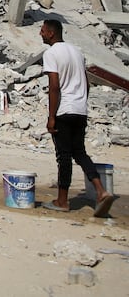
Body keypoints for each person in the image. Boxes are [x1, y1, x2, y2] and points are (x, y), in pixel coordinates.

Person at [40, 19, 115, 216]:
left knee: (63, 156)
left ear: (51, 33)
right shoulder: (77, 51)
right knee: (80, 152)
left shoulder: (51, 53)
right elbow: (87, 84)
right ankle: (101, 190)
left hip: (64, 109)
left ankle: (62, 201)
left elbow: (54, 86)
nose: (40, 34)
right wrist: (81, 102)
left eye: (42, 30)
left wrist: (51, 117)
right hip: (80, 109)